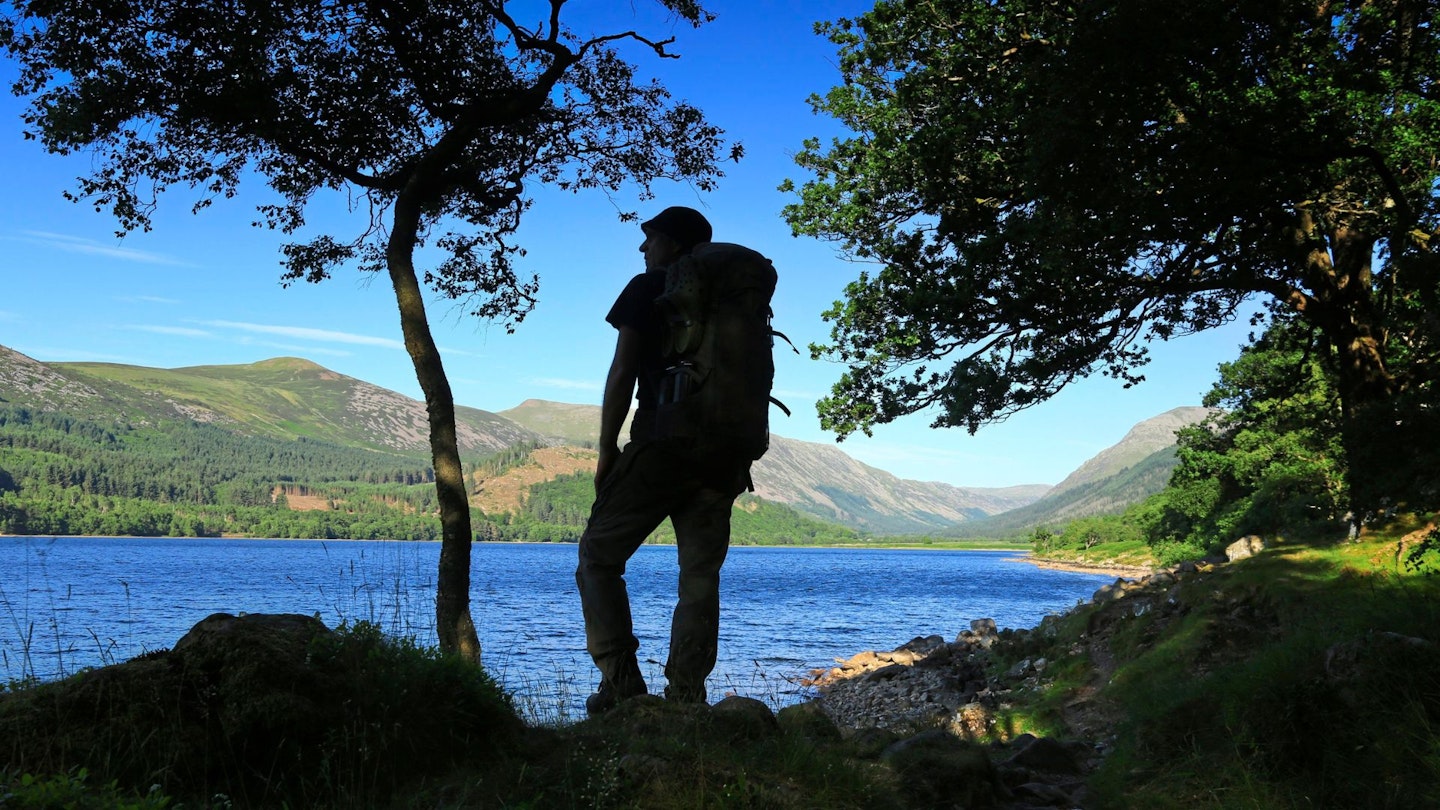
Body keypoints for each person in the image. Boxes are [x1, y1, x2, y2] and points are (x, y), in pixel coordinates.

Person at [575, 206, 753, 716]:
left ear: (673, 244)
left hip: (663, 445)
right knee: (699, 578)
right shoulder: (734, 302)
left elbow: (622, 371)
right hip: (724, 456)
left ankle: (623, 688)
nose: (642, 248)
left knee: (597, 558)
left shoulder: (646, 287)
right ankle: (686, 697)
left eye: (649, 237)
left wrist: (607, 449)